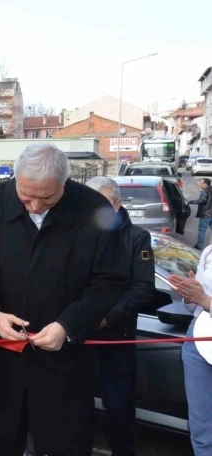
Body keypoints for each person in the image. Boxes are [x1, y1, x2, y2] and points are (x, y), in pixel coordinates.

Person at [0, 143, 129, 456]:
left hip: (66, 365)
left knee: (66, 445)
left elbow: (110, 282)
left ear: (64, 184)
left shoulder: (93, 209)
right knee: (4, 442)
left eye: (46, 197)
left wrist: (68, 325)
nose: (34, 206)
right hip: (5, 358)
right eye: (26, 195)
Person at [86, 176, 155, 455]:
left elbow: (142, 288)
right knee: (77, 409)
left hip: (117, 339)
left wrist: (106, 318)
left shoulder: (136, 237)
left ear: (116, 203)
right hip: (80, 336)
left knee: (119, 409)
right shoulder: (82, 232)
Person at [170, 251, 212, 455]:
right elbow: (197, 307)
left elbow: (206, 301)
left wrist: (205, 300)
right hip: (198, 342)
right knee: (202, 430)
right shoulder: (210, 251)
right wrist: (190, 293)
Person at [188, 178, 212, 250]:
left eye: (201, 183)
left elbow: (202, 201)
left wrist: (190, 202)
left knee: (202, 230)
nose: (200, 185)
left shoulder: (205, 192)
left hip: (206, 214)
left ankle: (199, 246)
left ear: (205, 184)